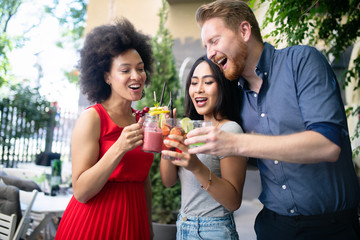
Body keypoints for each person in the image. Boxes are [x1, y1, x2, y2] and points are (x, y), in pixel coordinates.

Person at [184, 1, 360, 240]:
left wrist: (235, 143)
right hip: (273, 227)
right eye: (206, 46)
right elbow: (250, 159)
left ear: (244, 31)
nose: (209, 53)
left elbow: (328, 145)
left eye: (214, 41)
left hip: (331, 228)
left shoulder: (301, 62)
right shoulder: (236, 96)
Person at [55, 18, 155, 240]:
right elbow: (80, 191)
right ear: (106, 76)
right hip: (93, 223)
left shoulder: (142, 120)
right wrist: (119, 147)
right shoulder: (92, 118)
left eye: (140, 68)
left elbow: (144, 178)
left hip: (134, 223)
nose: (136, 76)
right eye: (125, 69)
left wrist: (148, 226)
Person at [161, 55, 247, 240]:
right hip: (184, 225)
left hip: (213, 230)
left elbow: (233, 202)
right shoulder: (189, 129)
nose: (198, 89)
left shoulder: (230, 130)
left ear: (223, 86)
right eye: (193, 83)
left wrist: (196, 167)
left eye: (208, 82)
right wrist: (168, 137)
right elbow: (168, 181)